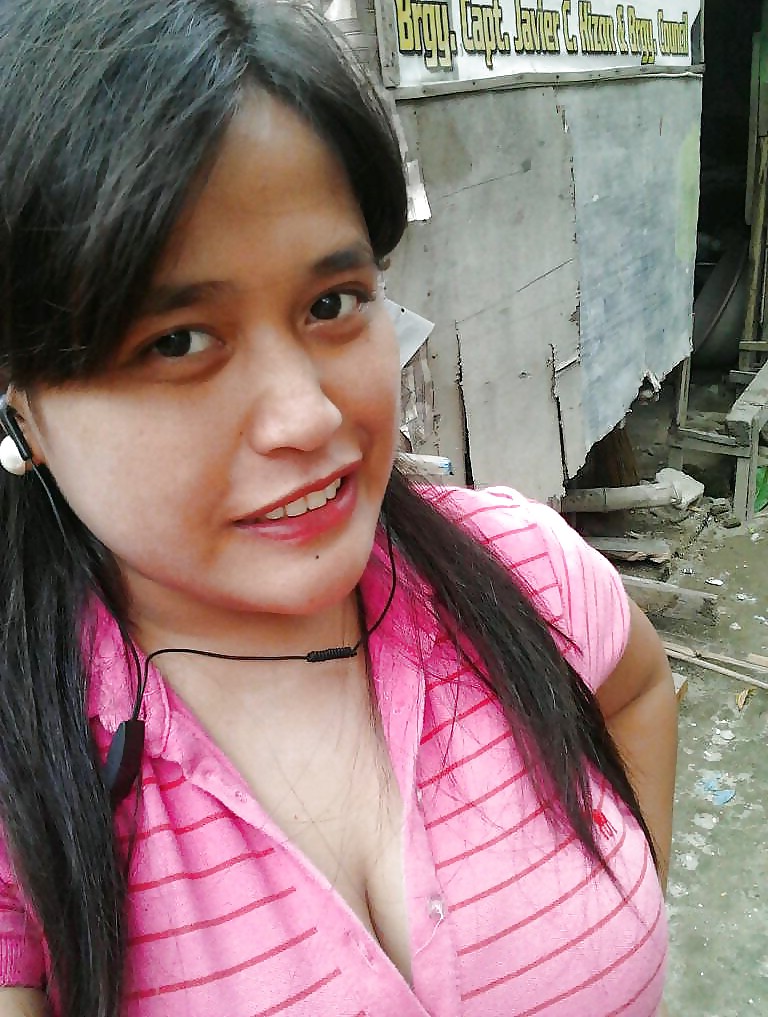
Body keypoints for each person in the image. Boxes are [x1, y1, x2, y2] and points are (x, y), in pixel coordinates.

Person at [0, 1, 677, 1015]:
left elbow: (638, 687)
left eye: (331, 304)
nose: (310, 416)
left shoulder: (524, 570)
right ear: (23, 407)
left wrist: (623, 926)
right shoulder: (26, 779)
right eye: (178, 341)